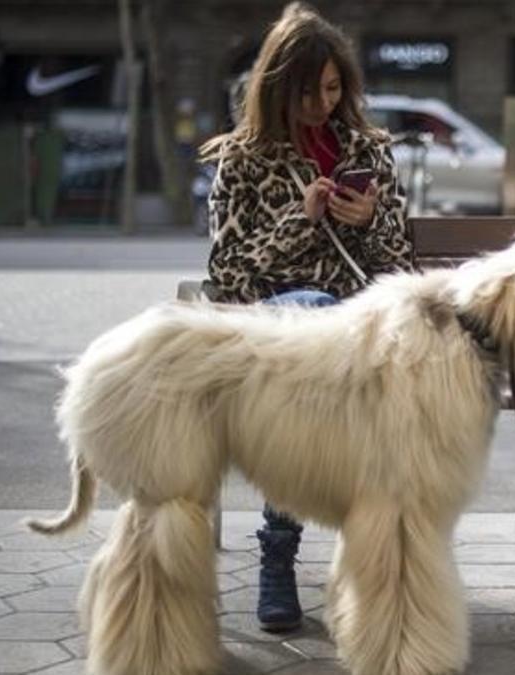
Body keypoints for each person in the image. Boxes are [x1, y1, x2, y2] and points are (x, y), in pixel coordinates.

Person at [198, 1, 414, 633]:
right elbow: (230, 275)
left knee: (354, 345)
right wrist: (301, 219)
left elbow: (400, 265)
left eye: (333, 86)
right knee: (315, 327)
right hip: (279, 324)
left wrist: (368, 222)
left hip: (360, 320)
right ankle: (280, 557)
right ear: (277, 87)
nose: (324, 103)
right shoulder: (242, 158)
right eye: (309, 90)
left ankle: (371, 568)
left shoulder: (368, 150)